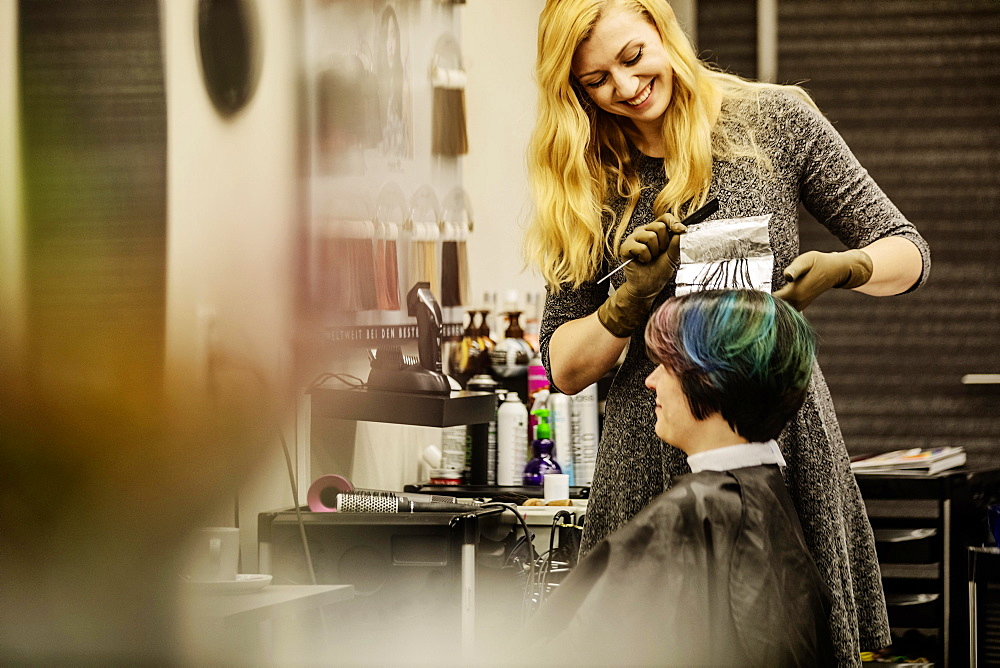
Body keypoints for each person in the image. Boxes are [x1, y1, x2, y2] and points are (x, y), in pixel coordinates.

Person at [525, 0, 930, 663]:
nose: (624, 89)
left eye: (632, 58)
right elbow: (564, 366)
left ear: (663, 29)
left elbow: (909, 253)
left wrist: (849, 267)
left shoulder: (777, 120)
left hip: (778, 435)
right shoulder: (587, 173)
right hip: (650, 444)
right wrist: (626, 306)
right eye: (596, 81)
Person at [532, 289, 836, 665]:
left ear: (709, 379)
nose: (650, 381)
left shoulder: (686, 519)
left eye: (664, 364)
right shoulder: (771, 500)